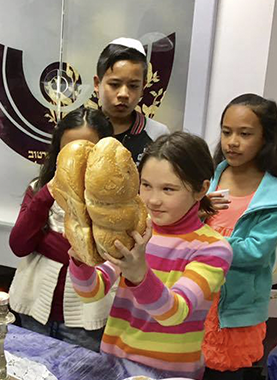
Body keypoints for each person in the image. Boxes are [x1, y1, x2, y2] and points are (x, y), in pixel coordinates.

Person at [69, 132, 233, 379]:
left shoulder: (213, 248)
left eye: (168, 189)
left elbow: (174, 312)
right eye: (145, 185)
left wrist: (138, 274)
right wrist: (81, 259)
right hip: (114, 364)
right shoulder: (135, 230)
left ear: (201, 190)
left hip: (171, 373)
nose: (153, 200)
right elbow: (92, 291)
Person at [8, 107, 114, 352]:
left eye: (86, 152)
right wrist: (49, 192)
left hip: (85, 325)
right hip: (34, 313)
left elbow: (96, 253)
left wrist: (44, 241)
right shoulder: (39, 189)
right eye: (68, 152)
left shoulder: (113, 201)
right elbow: (19, 244)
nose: (76, 161)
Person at [201, 94, 277, 380]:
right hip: (197, 297)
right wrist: (195, 212)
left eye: (245, 134)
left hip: (235, 313)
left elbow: (255, 251)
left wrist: (205, 242)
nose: (232, 141)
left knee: (225, 374)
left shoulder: (272, 195)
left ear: (266, 138)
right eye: (226, 132)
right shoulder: (209, 176)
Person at [94, 37, 169, 166]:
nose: (123, 94)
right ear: (97, 84)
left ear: (142, 88)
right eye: (114, 84)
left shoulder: (158, 136)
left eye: (133, 86)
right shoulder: (80, 129)